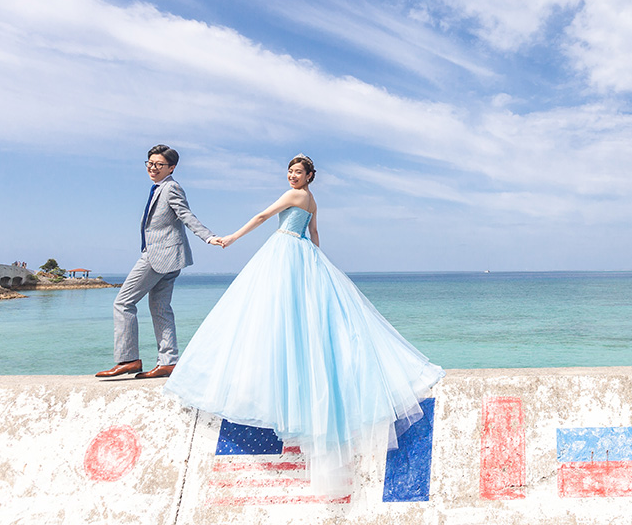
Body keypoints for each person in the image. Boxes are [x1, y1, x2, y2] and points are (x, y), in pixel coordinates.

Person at [163, 154, 444, 491]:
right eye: (290, 171)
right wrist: (319, 263)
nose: (292, 176)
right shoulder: (312, 200)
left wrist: (232, 237)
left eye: (299, 172)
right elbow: (313, 232)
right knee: (298, 317)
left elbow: (264, 215)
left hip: (285, 250)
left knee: (271, 315)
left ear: (310, 176)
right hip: (303, 252)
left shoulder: (297, 196)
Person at [97, 145, 221, 380]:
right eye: (150, 163)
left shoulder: (171, 187)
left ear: (171, 168)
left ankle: (128, 359)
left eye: (158, 165)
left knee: (123, 303)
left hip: (158, 256)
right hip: (171, 257)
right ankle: (168, 362)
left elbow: (186, 215)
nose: (152, 168)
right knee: (160, 309)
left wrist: (208, 236)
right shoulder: (159, 188)